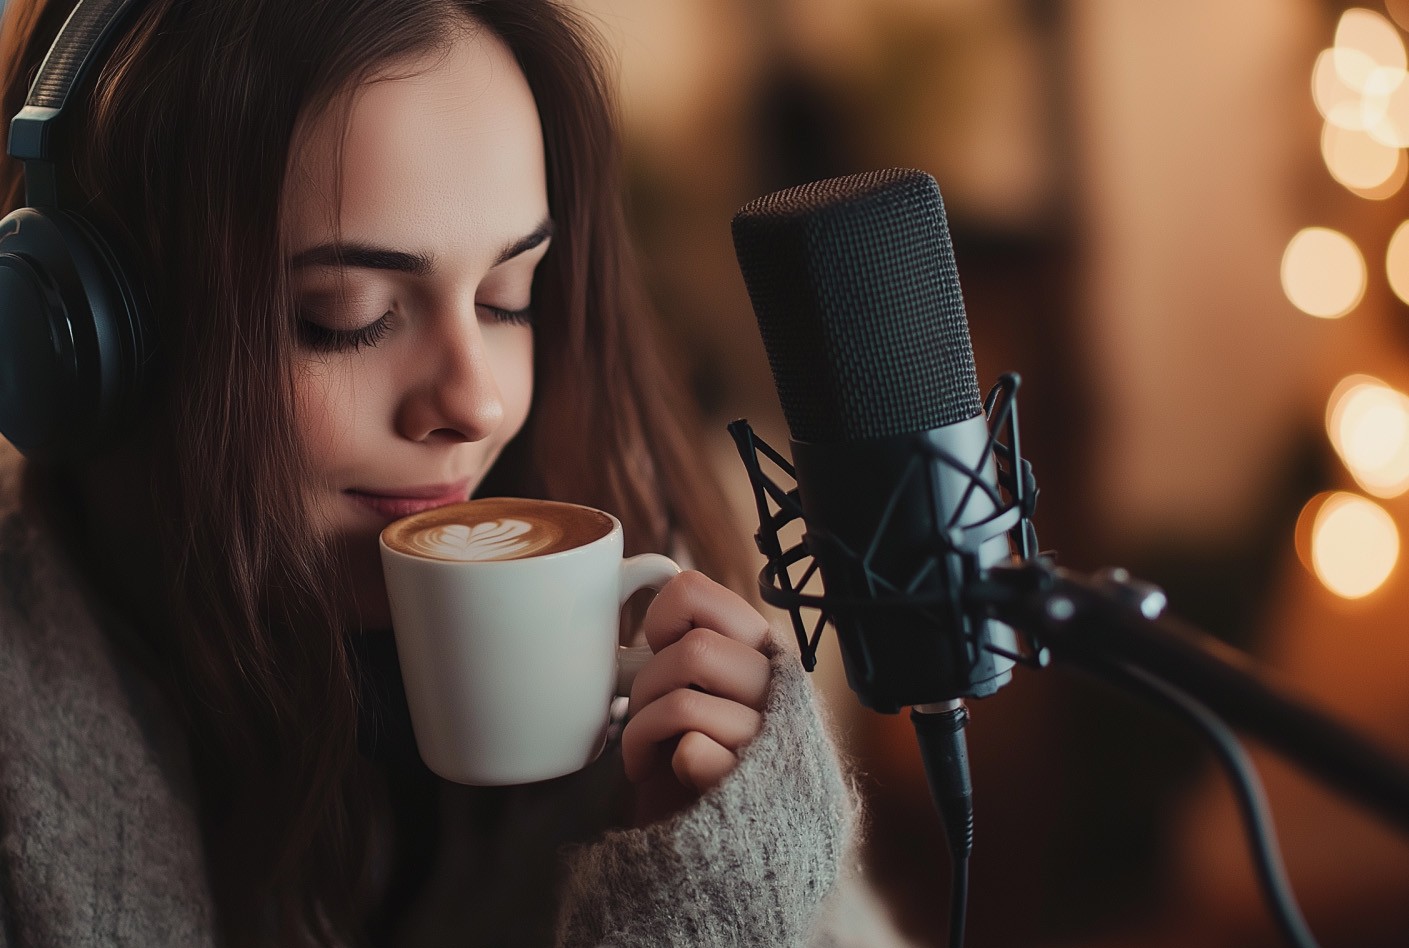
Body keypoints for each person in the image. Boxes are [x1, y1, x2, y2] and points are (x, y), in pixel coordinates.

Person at [0, 0, 914, 946]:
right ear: (89, 343)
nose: (476, 403)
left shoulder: (645, 670)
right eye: (343, 314)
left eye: (506, 298)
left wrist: (730, 878)